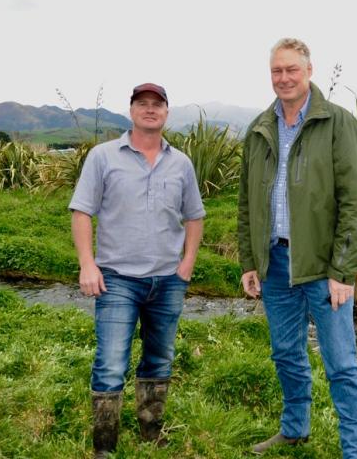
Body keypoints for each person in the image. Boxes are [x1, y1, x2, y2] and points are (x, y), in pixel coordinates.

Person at [237, 38, 357, 458]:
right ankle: (295, 428)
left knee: (342, 364)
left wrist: (343, 270)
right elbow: (247, 203)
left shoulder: (337, 122)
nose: (284, 78)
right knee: (286, 354)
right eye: (277, 71)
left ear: (309, 71)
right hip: (275, 264)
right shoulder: (260, 128)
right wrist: (250, 261)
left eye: (291, 69)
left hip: (323, 267)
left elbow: (356, 202)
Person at [69, 83, 205, 457]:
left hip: (167, 281)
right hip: (117, 278)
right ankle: (105, 446)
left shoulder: (181, 163)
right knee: (111, 362)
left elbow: (194, 216)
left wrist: (187, 262)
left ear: (166, 113)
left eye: (157, 104)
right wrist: (87, 263)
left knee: (159, 358)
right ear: (131, 111)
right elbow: (81, 211)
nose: (150, 109)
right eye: (142, 104)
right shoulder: (103, 156)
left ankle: (151, 432)